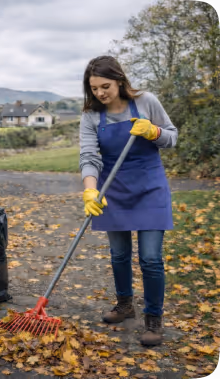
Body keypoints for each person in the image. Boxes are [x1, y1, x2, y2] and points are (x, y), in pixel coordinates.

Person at [79, 56, 178, 346]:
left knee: (150, 258)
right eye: (94, 88)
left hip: (150, 186)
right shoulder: (91, 116)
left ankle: (153, 318)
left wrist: (153, 131)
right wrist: (90, 190)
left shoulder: (147, 101)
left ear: (120, 81)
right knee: (119, 254)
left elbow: (173, 137)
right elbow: (88, 156)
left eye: (105, 86)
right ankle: (125, 305)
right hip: (114, 188)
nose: (100, 93)